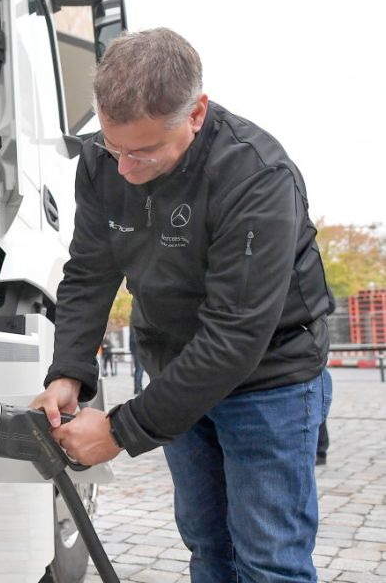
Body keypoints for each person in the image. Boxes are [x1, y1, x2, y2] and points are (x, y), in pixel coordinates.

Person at [30, 28, 334, 582]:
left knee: (268, 558)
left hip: (270, 380)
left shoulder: (256, 177)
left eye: (144, 151)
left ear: (196, 114)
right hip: (175, 371)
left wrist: (120, 431)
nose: (124, 167)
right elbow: (91, 271)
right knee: (208, 545)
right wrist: (68, 371)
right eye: (115, 146)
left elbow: (236, 336)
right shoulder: (101, 160)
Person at [129, 325, 144, 394]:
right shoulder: (135, 332)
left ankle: (138, 387)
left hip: (137, 352)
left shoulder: (133, 331)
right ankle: (138, 388)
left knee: (139, 370)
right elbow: (135, 342)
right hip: (138, 352)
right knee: (139, 370)